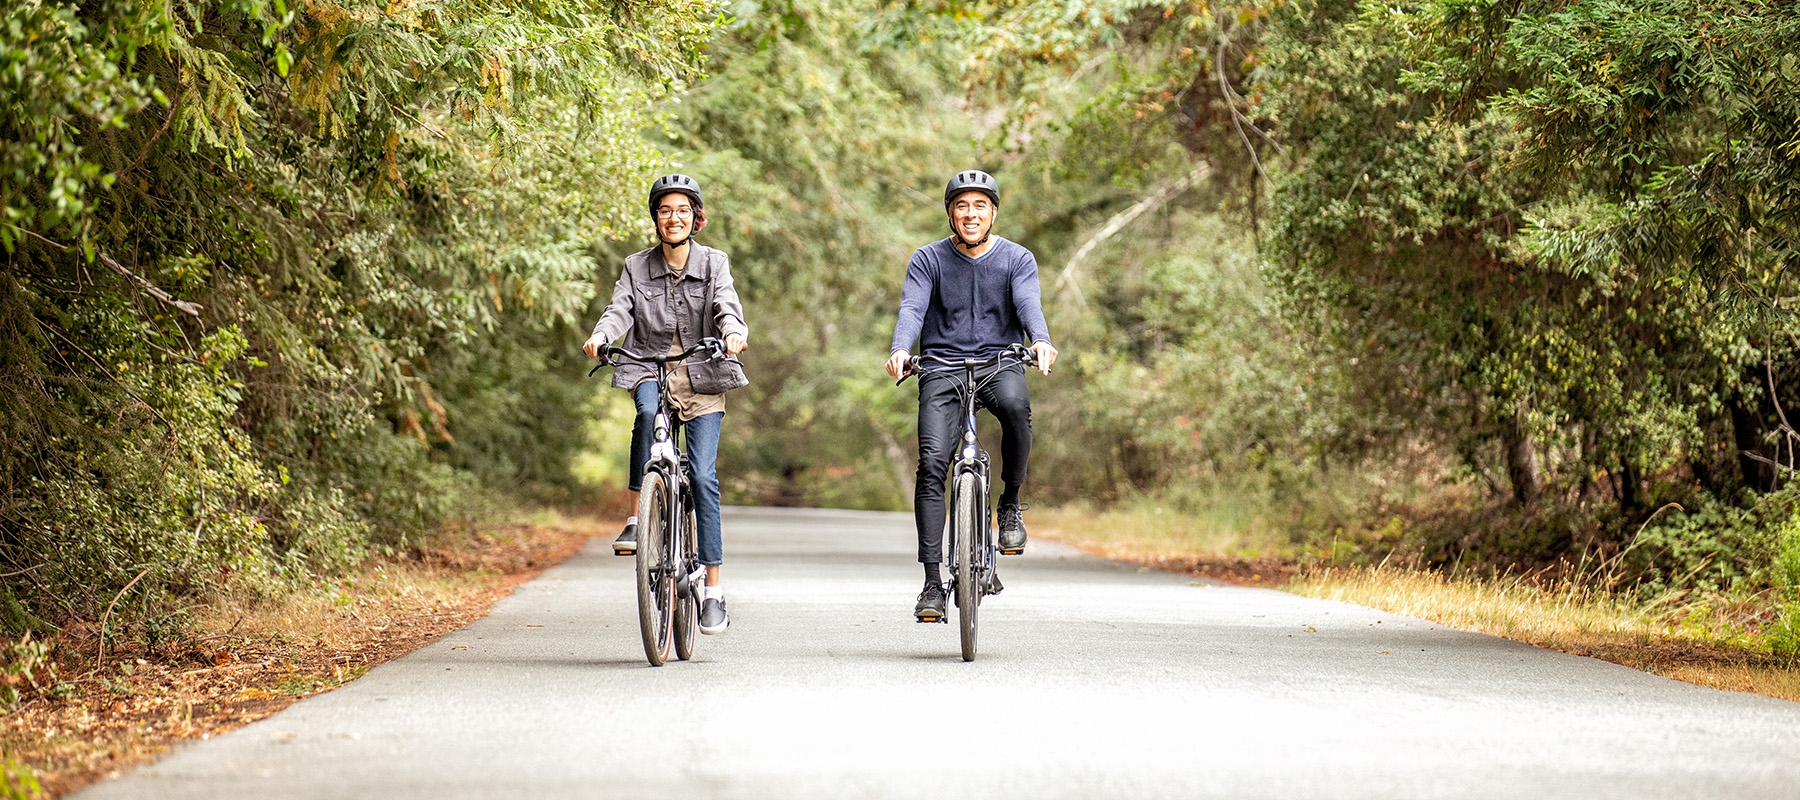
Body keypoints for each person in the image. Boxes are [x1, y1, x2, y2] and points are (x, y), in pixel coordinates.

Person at [885, 169, 1058, 621]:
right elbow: (912, 307)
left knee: (1018, 408)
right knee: (932, 465)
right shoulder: (928, 259)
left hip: (999, 362)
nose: (970, 213)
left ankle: (1010, 503)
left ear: (993, 212)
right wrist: (902, 349)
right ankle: (930, 583)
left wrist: (1039, 338)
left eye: (980, 205)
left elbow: (1028, 304)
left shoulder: (1018, 259)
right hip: (941, 366)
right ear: (950, 213)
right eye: (962, 205)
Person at [584, 174, 749, 634]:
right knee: (644, 414)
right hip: (647, 364)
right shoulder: (637, 265)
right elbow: (620, 308)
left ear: (696, 218)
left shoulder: (714, 262)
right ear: (655, 218)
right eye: (664, 210)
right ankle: (638, 517)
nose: (672, 218)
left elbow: (725, 303)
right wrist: (601, 335)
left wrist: (734, 332)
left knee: (701, 475)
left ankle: (713, 590)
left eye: (681, 210)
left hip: (702, 372)